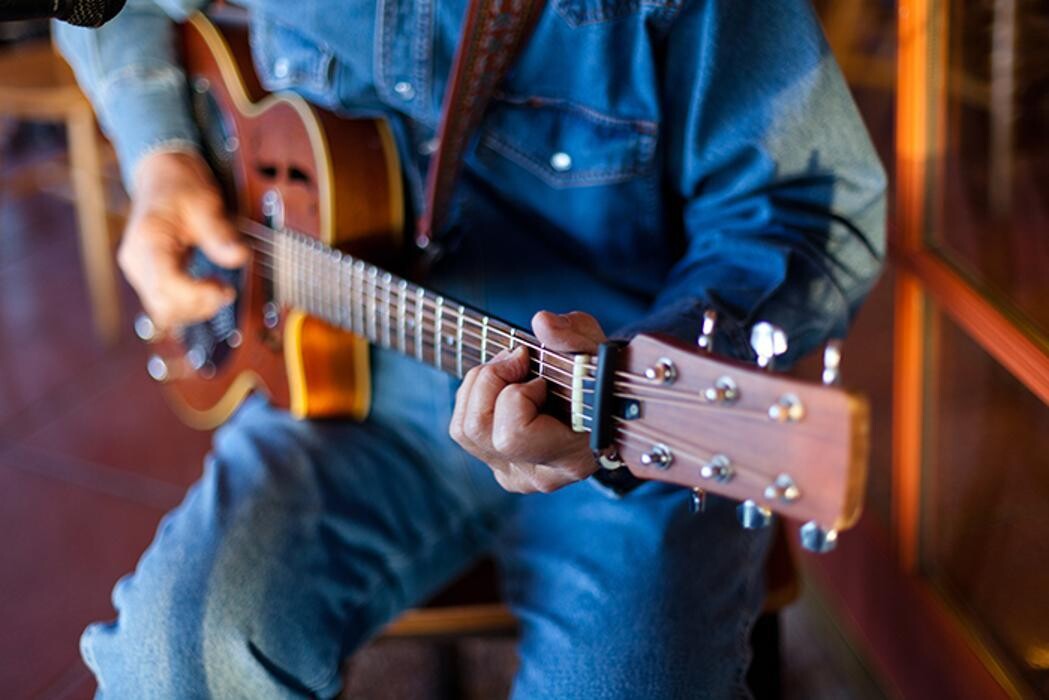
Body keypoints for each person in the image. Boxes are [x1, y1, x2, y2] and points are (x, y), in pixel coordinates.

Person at [56, 0, 885, 696]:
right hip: (341, 391)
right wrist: (161, 156)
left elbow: (803, 213)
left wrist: (651, 362)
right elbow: (103, 13)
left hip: (616, 411)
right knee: (174, 666)